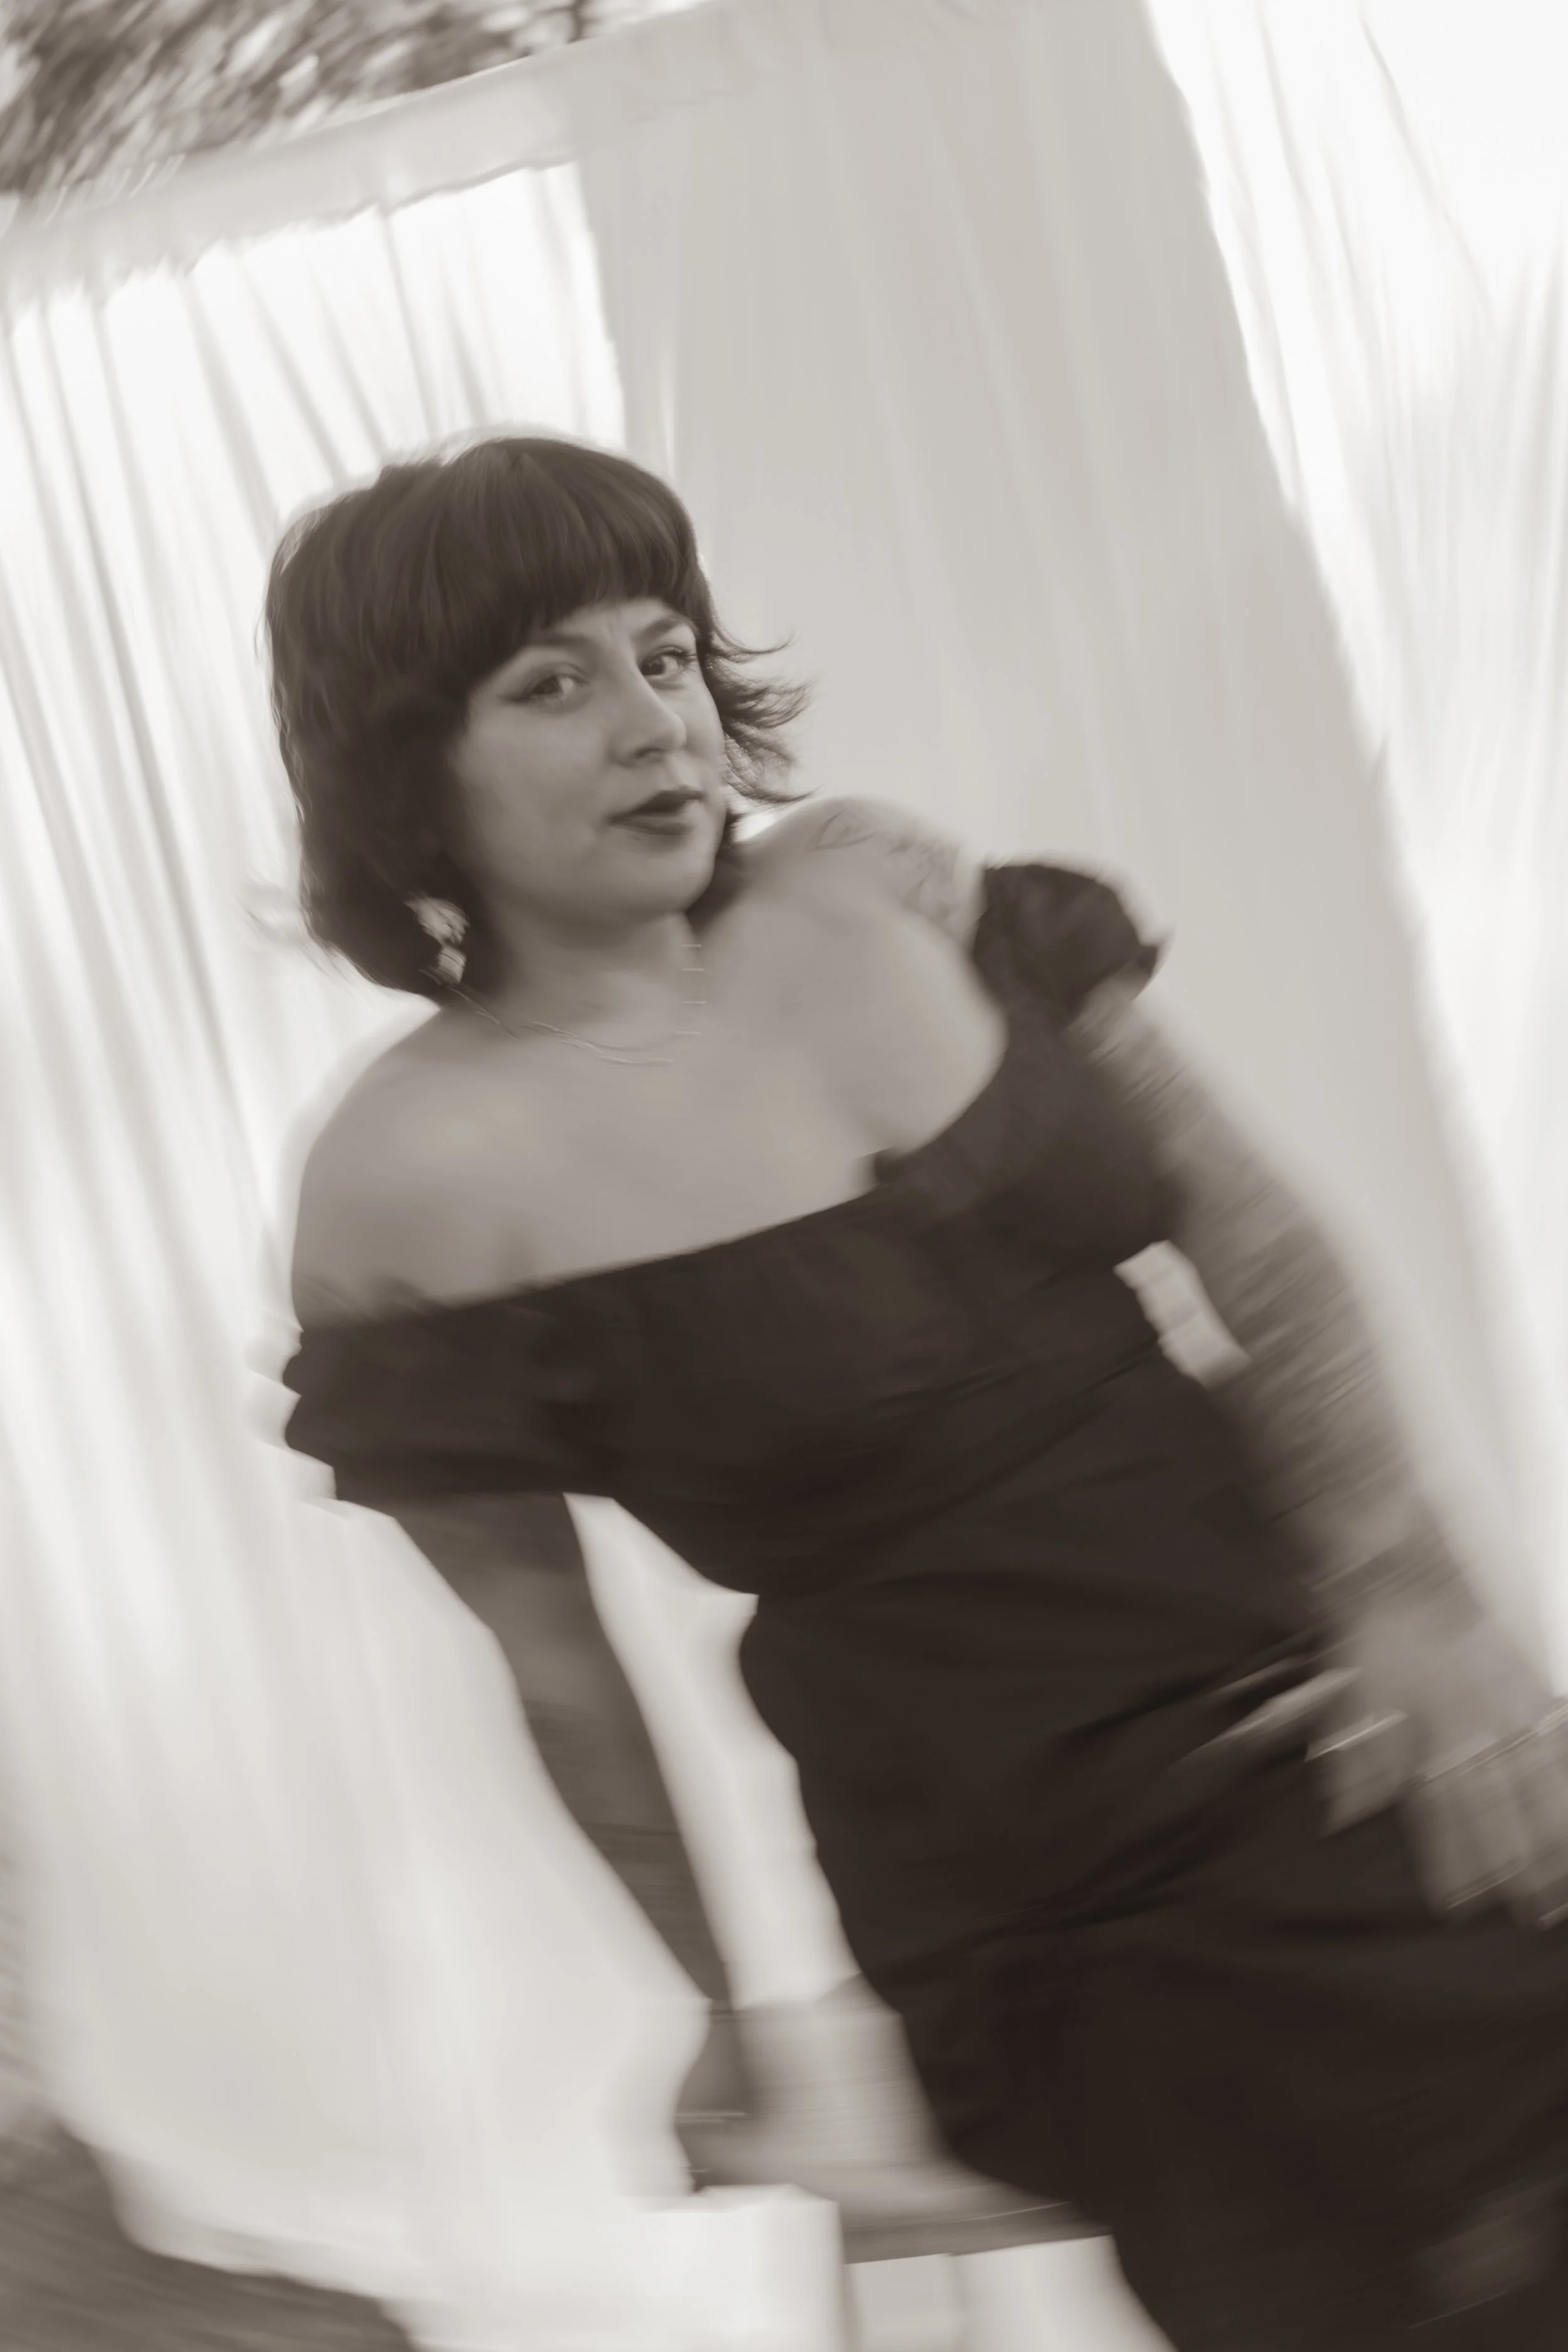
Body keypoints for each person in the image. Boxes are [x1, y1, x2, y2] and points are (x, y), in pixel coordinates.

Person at [271, 432, 1568, 2349]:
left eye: (664, 652)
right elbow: (559, 1669)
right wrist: (720, 1998)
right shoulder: (408, 1184)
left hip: (1322, 1664)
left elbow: (1255, 1238)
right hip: (1033, 1840)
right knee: (1458, 2151)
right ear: (405, 771)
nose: (653, 720)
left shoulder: (887, 894)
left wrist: (1416, 1588)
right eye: (551, 684)